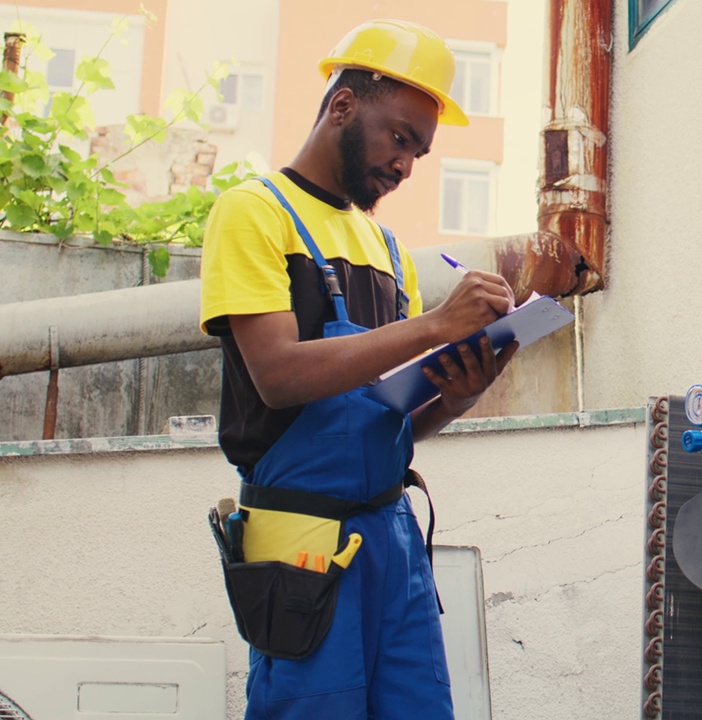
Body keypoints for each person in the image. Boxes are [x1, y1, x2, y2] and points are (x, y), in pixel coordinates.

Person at [198, 19, 516, 719]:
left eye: (420, 152)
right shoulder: (253, 214)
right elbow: (278, 375)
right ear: (342, 108)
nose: (406, 165)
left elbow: (389, 414)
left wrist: (457, 395)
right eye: (399, 137)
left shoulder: (387, 246)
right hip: (302, 546)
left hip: (392, 539)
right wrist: (435, 325)